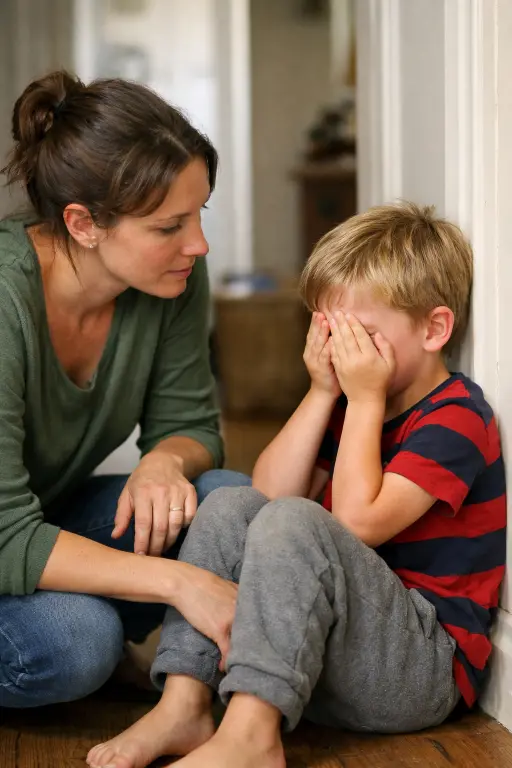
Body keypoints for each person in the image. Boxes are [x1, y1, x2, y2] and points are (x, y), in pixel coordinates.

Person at [87, 202, 506, 768]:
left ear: (434, 329)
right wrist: (322, 393)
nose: (342, 352)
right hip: (325, 656)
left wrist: (362, 398)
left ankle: (252, 738)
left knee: (299, 520)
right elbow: (267, 493)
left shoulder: (456, 418)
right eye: (331, 331)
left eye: (362, 335)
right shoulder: (355, 406)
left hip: (420, 671)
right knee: (232, 502)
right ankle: (185, 703)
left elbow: (357, 521)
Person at [0, 70, 251, 710]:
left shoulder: (169, 279)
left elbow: (193, 424)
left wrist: (164, 462)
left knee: (225, 501)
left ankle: (177, 699)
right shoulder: (6, 303)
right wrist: (179, 583)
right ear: (83, 223)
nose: (197, 244)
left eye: (199, 214)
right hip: (8, 536)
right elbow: (4, 535)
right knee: (77, 642)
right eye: (169, 227)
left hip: (40, 521)